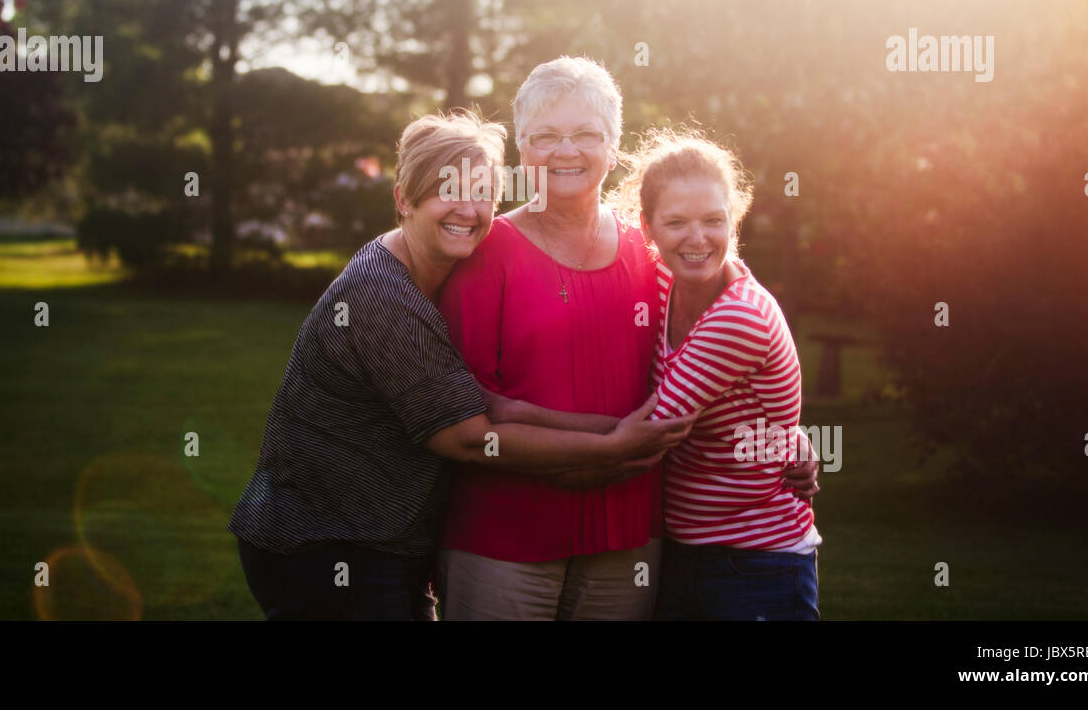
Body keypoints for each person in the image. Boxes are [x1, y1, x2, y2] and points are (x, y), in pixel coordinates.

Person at [227, 109, 693, 620]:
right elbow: (470, 437)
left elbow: (491, 408)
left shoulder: (435, 275)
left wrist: (607, 432)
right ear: (404, 199)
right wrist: (616, 442)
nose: (469, 210)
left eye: (483, 195)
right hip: (327, 545)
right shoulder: (381, 296)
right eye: (449, 190)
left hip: (380, 540)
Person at [435, 57, 818, 620]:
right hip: (505, 537)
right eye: (546, 136)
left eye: (587, 134)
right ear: (522, 147)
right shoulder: (485, 254)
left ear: (614, 146)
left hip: (632, 539)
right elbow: (466, 415)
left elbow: (734, 325)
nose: (567, 151)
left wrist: (781, 436)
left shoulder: (654, 252)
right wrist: (614, 440)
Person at [614, 126, 821, 620]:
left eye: (713, 220)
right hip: (686, 555)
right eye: (676, 222)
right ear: (647, 228)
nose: (697, 238)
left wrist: (509, 418)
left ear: (735, 219)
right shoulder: (664, 283)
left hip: (755, 564)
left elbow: (651, 433)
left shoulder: (739, 316)